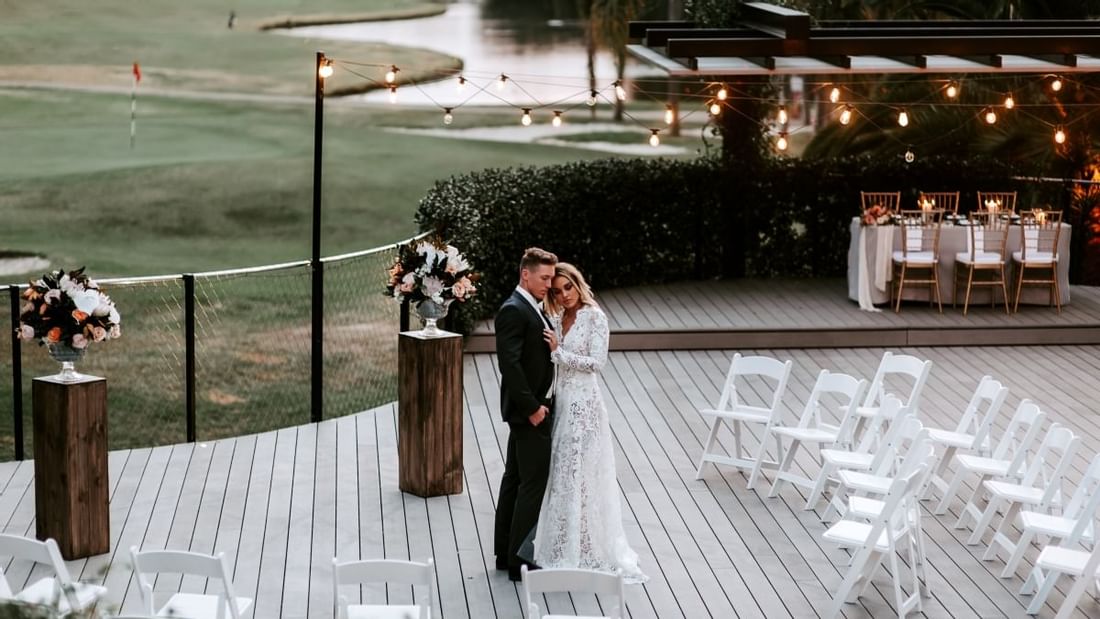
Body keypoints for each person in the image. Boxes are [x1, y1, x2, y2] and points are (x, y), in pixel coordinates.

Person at [533, 262, 648, 583]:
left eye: (568, 287)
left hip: (585, 407)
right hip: (562, 404)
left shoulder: (595, 317)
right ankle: (562, 543)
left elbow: (597, 363)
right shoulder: (555, 318)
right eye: (557, 290)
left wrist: (559, 354)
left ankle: (586, 545)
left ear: (577, 284)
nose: (564, 295)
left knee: (583, 474)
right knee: (563, 475)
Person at [494, 247, 558, 582]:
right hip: (528, 412)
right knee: (532, 485)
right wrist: (533, 409)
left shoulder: (530, 306)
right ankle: (521, 563)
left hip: (527, 410)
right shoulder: (514, 310)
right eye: (544, 277)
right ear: (526, 274)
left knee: (514, 480)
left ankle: (505, 554)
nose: (549, 283)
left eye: (551, 277)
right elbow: (510, 366)